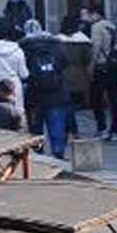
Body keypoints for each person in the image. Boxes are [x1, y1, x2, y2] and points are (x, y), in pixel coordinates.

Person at [22, 23, 70, 159]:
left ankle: (38, 154)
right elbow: (65, 62)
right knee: (57, 124)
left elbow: (22, 71)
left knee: (35, 126)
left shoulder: (24, 46)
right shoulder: (56, 44)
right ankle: (58, 153)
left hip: (34, 94)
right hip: (57, 93)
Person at [87, 6, 117, 140]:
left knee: (96, 98)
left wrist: (91, 65)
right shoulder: (112, 26)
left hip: (102, 66)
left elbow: (96, 47)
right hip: (114, 65)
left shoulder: (96, 27)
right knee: (114, 98)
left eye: (91, 15)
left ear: (96, 14)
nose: (90, 18)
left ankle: (102, 128)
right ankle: (115, 130)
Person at [59, 17, 93, 138]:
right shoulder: (84, 41)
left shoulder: (58, 41)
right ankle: (72, 130)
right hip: (80, 76)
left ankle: (70, 130)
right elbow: (88, 59)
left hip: (63, 76)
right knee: (72, 104)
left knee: (67, 105)